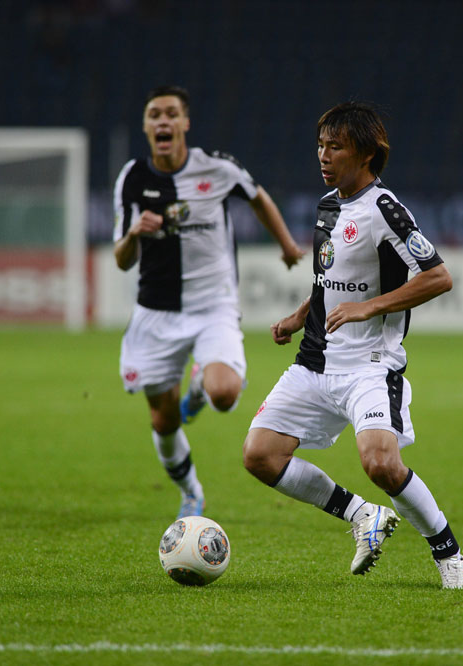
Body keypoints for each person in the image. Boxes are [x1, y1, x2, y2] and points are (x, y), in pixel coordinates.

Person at [242, 102, 463, 589]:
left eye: (336, 146)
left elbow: (438, 277)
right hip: (314, 361)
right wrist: (300, 316)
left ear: (367, 154)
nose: (324, 155)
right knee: (260, 455)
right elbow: (330, 279)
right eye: (321, 145)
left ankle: (449, 554)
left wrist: (372, 307)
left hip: (370, 364)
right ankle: (361, 515)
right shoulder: (329, 205)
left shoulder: (385, 209)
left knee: (382, 464)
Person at [113, 85, 305, 520]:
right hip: (155, 313)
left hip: (213, 305)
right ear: (146, 127)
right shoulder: (133, 179)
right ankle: (190, 490)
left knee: (224, 392)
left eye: (171, 114)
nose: (162, 121)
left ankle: (201, 386)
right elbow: (122, 259)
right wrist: (133, 235)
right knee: (163, 421)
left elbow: (259, 198)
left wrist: (287, 245)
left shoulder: (217, 168)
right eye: (154, 114)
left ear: (184, 124)